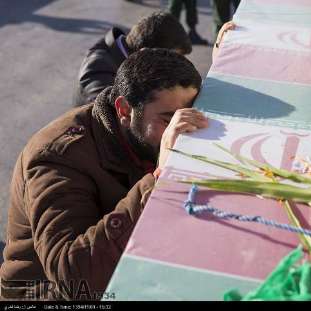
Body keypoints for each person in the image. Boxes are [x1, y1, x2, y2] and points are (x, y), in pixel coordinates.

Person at [0, 48, 208, 300]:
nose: (179, 131)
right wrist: (157, 179)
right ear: (124, 111)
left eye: (185, 116)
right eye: (167, 120)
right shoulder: (57, 159)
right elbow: (73, 276)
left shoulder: (139, 133)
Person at [73, 11, 192, 107]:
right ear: (147, 54)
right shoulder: (98, 71)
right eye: (171, 60)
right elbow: (111, 119)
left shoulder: (129, 49)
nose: (173, 67)